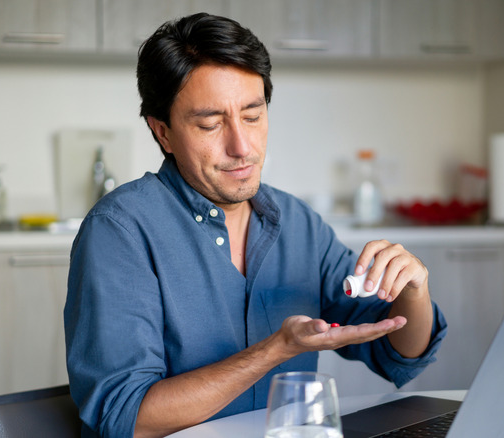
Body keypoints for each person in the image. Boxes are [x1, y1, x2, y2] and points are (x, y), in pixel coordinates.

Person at [64, 12, 447, 438]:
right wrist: (276, 350)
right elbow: (127, 417)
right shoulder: (120, 231)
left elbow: (398, 351)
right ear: (163, 133)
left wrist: (416, 288)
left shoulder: (297, 223)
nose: (242, 147)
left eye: (252, 116)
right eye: (210, 124)